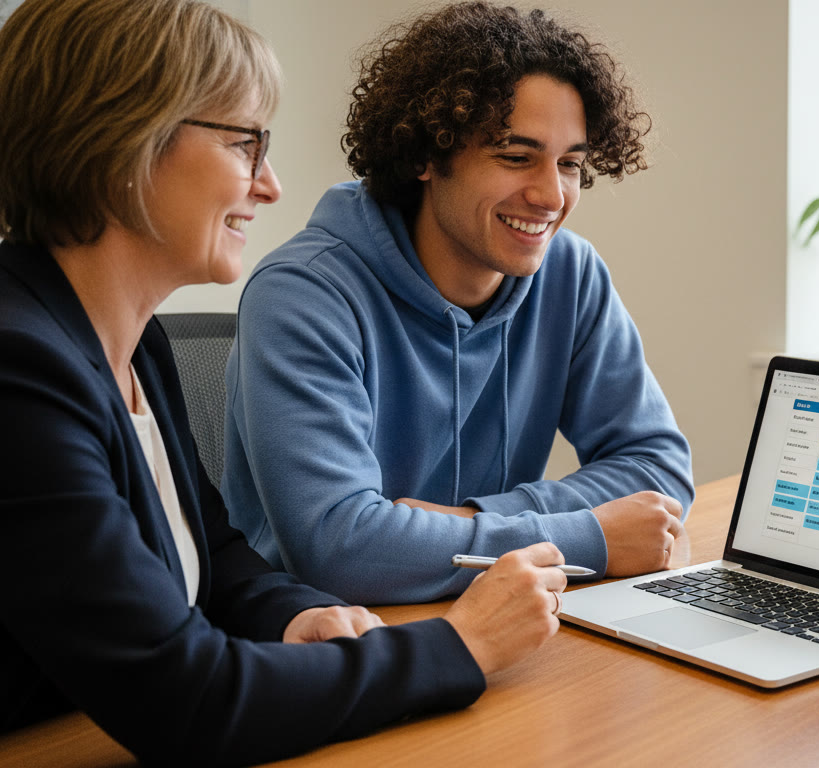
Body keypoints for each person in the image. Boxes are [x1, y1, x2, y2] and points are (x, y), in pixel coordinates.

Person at [0, 1, 568, 762]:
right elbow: (185, 701)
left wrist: (294, 616)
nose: (269, 186)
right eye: (245, 144)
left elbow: (215, 555)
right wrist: (460, 645)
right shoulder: (18, 373)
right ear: (121, 141)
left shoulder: (136, 346)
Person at [222, 1, 694, 604]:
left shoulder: (570, 274)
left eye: (570, 164)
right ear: (426, 154)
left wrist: (471, 519)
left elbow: (657, 468)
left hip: (501, 614)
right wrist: (589, 536)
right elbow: (341, 547)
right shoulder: (303, 293)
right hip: (331, 633)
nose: (552, 196)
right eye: (516, 157)